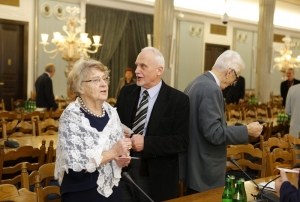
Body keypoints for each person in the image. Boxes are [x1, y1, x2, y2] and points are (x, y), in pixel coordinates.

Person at [181, 50, 263, 194]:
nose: (233, 83)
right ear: (229, 72)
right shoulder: (212, 89)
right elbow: (214, 133)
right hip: (205, 168)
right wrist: (247, 130)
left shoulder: (196, 82)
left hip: (193, 163)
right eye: (236, 78)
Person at [115, 47, 190, 201]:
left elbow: (182, 142)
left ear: (159, 70)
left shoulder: (178, 100)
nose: (136, 71)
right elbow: (115, 126)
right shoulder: (126, 93)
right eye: (136, 65)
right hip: (122, 171)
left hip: (156, 176)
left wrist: (146, 143)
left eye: (143, 66)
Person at [54, 59, 132, 202]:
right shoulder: (72, 115)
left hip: (113, 189)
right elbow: (75, 167)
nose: (103, 84)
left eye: (105, 78)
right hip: (82, 192)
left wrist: (120, 159)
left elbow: (117, 151)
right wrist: (113, 152)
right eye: (96, 80)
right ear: (80, 87)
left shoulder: (111, 112)